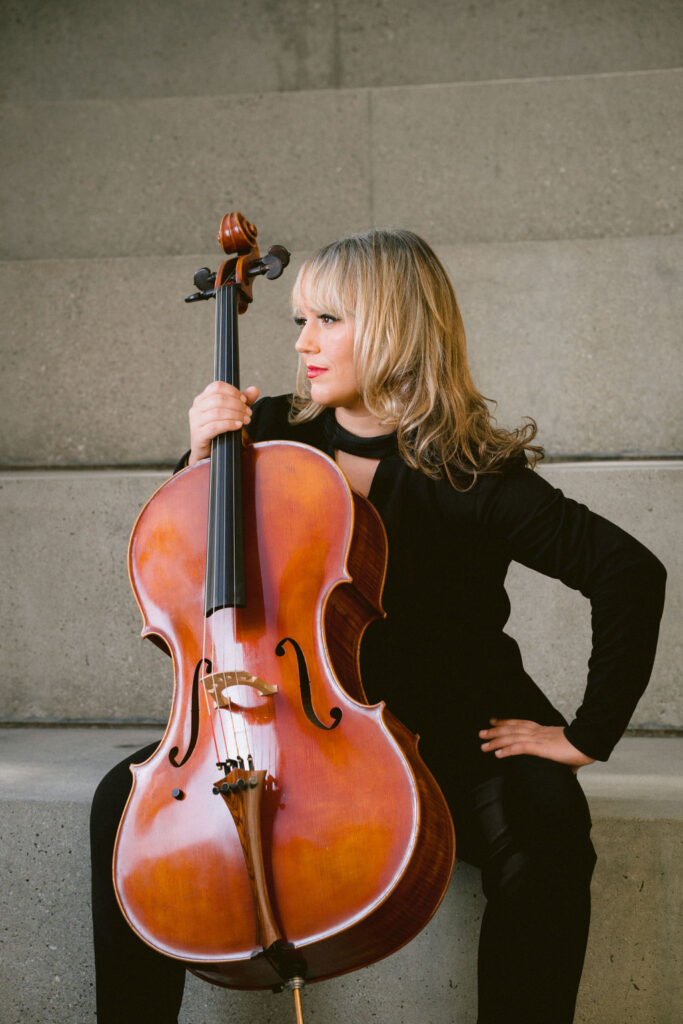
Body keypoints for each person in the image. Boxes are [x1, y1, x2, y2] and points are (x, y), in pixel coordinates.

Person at [91, 228, 666, 1023]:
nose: (303, 343)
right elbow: (187, 569)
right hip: (292, 725)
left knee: (548, 820)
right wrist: (197, 461)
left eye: (327, 320)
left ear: (396, 326)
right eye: (300, 320)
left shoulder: (471, 474)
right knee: (121, 803)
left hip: (446, 736)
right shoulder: (267, 438)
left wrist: (585, 735)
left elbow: (629, 573)